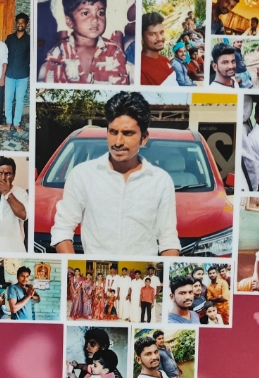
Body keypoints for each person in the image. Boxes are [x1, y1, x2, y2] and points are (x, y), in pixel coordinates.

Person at [51, 91, 179, 256]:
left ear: (144, 137)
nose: (118, 142)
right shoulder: (82, 175)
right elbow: (62, 230)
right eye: (113, 132)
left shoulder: (160, 181)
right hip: (95, 271)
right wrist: (73, 269)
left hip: (143, 272)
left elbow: (168, 240)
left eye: (128, 133)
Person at [39, 0, 129, 85]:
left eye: (100, 13)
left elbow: (121, 86)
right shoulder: (59, 51)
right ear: (69, 21)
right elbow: (53, 86)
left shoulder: (114, 51)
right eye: (86, 13)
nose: (95, 19)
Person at [3, 12, 30, 130]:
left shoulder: (29, 40)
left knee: (19, 100)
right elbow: (4, 55)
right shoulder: (10, 38)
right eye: (18, 22)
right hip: (9, 74)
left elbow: (32, 58)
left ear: (26, 24)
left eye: (22, 22)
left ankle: (17, 123)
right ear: (16, 24)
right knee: (8, 99)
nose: (20, 24)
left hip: (23, 75)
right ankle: (8, 122)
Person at [139, 11, 177, 86]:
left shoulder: (164, 59)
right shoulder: (140, 69)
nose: (159, 38)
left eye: (161, 33)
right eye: (152, 34)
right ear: (141, 38)